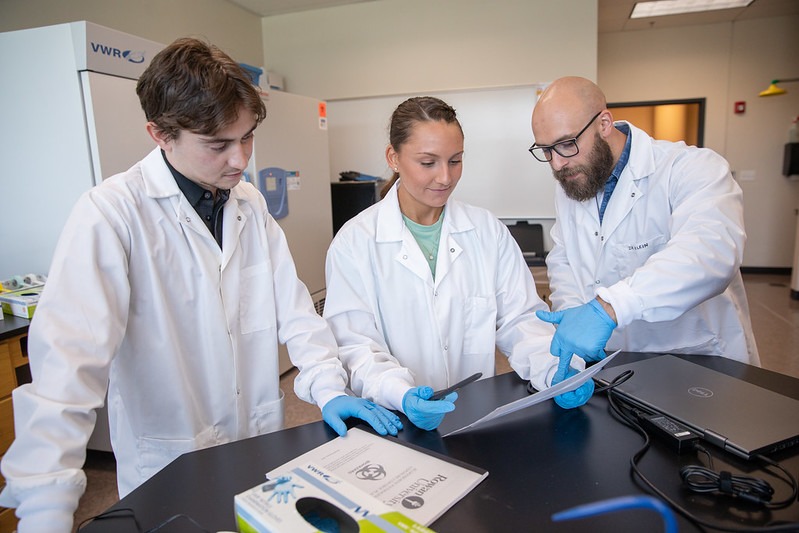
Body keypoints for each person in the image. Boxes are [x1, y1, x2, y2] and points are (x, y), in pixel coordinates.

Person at [0, 37, 401, 533]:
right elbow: (64, 379)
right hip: (166, 462)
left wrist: (329, 386)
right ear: (159, 133)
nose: (240, 161)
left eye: (247, 137)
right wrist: (44, 512)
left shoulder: (249, 205)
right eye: (218, 145)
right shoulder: (112, 215)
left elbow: (296, 314)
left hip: (254, 444)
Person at [323, 96, 593, 433]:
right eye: (428, 162)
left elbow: (520, 318)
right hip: (392, 419)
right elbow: (356, 345)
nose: (445, 177)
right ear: (393, 157)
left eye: (455, 160)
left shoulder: (486, 231)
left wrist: (554, 369)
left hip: (472, 417)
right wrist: (401, 393)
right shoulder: (355, 243)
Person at [529, 76, 759, 370]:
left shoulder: (691, 168)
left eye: (566, 144)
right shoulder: (573, 181)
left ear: (604, 123)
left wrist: (609, 308)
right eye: (545, 150)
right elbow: (566, 261)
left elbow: (710, 254)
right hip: (613, 360)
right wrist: (575, 330)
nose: (557, 163)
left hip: (696, 358)